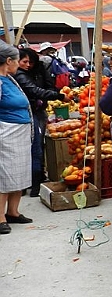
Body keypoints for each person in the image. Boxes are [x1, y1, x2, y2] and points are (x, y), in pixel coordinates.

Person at [14, 48, 64, 197]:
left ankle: (34, 181)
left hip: (37, 111)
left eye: (31, 62)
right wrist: (58, 96)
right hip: (28, 113)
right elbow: (34, 90)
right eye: (25, 62)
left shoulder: (38, 70)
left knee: (37, 146)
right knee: (34, 147)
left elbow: (48, 85)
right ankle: (33, 183)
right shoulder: (18, 74)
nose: (28, 65)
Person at [0, 42, 34, 233]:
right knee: (4, 176)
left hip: (19, 133)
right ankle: (0, 217)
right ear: (8, 61)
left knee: (18, 174)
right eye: (18, 60)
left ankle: (13, 211)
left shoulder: (9, 79)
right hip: (6, 134)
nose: (20, 64)